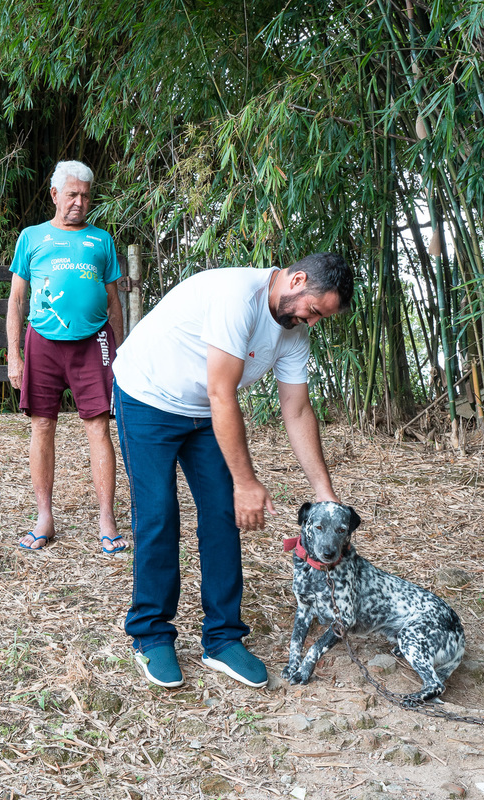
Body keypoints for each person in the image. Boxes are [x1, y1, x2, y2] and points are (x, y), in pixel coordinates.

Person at [111, 253, 355, 689]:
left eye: (320, 317)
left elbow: (296, 410)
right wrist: (246, 482)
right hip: (148, 397)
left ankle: (222, 639)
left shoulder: (293, 331)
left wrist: (325, 493)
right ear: (297, 280)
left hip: (204, 411)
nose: (311, 321)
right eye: (313, 310)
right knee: (159, 514)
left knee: (223, 516)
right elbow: (222, 392)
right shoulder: (236, 297)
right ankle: (151, 635)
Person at [7, 161, 126, 554]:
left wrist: (120, 354)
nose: (80, 202)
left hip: (94, 342)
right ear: (55, 194)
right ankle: (44, 516)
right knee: (42, 426)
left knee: (98, 428)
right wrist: (14, 355)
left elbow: (114, 302)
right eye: (72, 194)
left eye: (86, 195)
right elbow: (16, 300)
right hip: (43, 340)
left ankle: (106, 519)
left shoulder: (101, 240)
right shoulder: (32, 237)